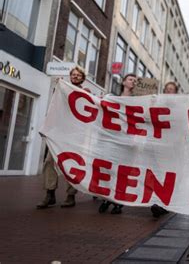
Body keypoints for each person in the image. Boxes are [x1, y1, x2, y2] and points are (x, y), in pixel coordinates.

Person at [37, 66, 88, 209]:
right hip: (57, 132)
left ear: (82, 78)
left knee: (73, 165)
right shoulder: (61, 90)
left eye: (79, 75)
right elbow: (53, 109)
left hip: (74, 135)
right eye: (73, 74)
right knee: (49, 162)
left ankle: (70, 196)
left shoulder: (85, 93)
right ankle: (50, 193)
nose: (75, 77)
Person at [98, 74, 137, 214]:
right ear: (124, 82)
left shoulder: (136, 101)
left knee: (121, 171)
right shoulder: (112, 97)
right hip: (112, 138)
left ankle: (118, 201)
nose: (133, 82)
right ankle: (107, 198)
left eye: (135, 80)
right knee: (109, 169)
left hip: (126, 140)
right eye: (130, 79)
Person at [150, 81, 179, 218]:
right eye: (167, 89)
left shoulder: (179, 107)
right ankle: (158, 202)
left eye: (171, 89)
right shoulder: (157, 104)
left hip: (172, 146)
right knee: (158, 173)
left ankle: (165, 203)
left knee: (168, 175)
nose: (168, 91)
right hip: (157, 145)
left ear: (175, 92)